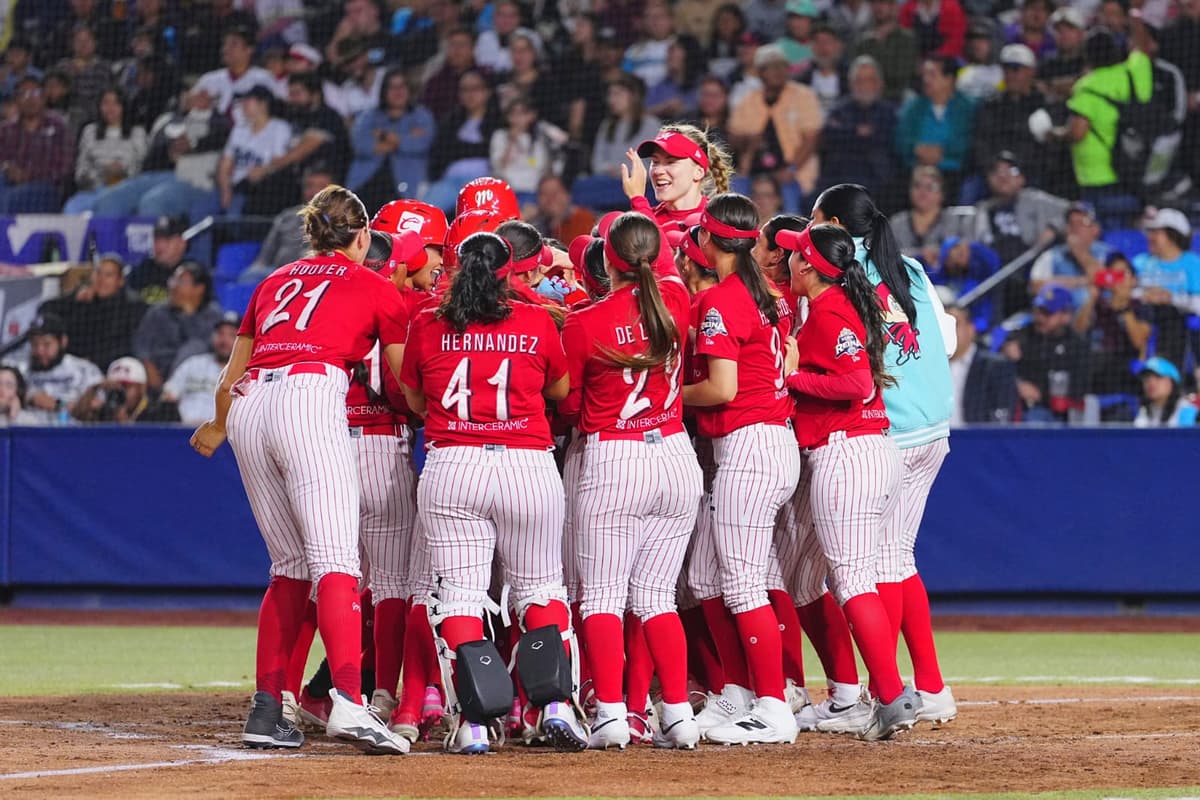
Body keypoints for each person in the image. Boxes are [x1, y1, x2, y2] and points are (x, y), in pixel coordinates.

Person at [189, 184, 411, 755]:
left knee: (288, 566)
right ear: (362, 236)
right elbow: (403, 381)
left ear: (311, 234)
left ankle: (268, 709)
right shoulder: (373, 283)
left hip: (250, 405)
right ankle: (351, 706)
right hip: (311, 397)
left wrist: (217, 427)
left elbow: (229, 376)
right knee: (335, 561)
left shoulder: (272, 281)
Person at [398, 231, 586, 755]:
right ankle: (554, 707)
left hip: (453, 466)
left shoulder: (428, 322)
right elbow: (560, 391)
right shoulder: (535, 319)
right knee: (540, 592)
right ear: (510, 272)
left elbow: (414, 397)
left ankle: (476, 723)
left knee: (458, 596)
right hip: (527, 464)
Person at [808, 183, 958, 731]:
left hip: (888, 432)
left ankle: (885, 693)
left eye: (816, 220)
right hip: (934, 428)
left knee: (864, 570)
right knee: (898, 559)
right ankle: (931, 688)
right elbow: (948, 343)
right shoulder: (911, 267)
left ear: (835, 228)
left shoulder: (842, 274)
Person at [559, 211, 701, 750]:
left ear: (606, 261)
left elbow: (569, 405)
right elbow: (661, 263)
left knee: (601, 598)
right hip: (674, 455)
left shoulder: (583, 322)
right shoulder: (676, 299)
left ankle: (613, 716)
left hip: (614, 458)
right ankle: (680, 718)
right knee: (658, 598)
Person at [772, 221, 914, 740]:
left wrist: (791, 378)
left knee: (853, 580)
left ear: (809, 265)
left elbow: (855, 383)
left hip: (848, 451)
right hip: (868, 449)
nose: (788, 261)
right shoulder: (837, 305)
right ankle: (868, 694)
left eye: (794, 255)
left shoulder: (830, 308)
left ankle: (893, 694)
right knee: (847, 576)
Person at [680, 193, 800, 745]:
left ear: (708, 240)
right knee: (708, 576)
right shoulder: (767, 292)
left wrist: (666, 398)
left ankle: (774, 705)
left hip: (749, 447)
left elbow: (722, 388)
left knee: (745, 582)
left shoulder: (722, 301)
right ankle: (739, 693)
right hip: (768, 442)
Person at [728, 44, 823, 212]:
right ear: (759, 72)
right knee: (733, 203)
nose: (778, 72)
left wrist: (791, 169)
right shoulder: (748, 101)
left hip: (791, 173)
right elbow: (732, 137)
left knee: (791, 213)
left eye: (782, 66)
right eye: (771, 68)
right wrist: (748, 140)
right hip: (753, 172)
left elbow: (812, 138)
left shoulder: (804, 96)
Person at [40, 254, 147, 371]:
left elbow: (128, 346)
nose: (101, 280)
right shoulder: (84, 300)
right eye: (98, 273)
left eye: (108, 275)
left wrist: (92, 361)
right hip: (76, 368)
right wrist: (73, 297)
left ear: (120, 281)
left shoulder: (132, 305)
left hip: (114, 368)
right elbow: (45, 310)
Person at [346, 68, 436, 205]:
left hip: (407, 182)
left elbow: (421, 143)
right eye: (392, 87)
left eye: (402, 86)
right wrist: (401, 140)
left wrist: (383, 135)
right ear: (383, 91)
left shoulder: (422, 115)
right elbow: (360, 144)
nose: (398, 92)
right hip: (367, 181)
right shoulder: (369, 116)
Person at [1003, 284, 1091, 423]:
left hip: (1066, 414)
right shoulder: (1022, 336)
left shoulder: (1077, 345)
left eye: (1047, 313)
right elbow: (996, 370)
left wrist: (1044, 395)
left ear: (1066, 316)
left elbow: (1081, 388)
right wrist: (1017, 383)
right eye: (1038, 311)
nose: (1040, 317)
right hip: (1026, 410)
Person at [133, 262, 223, 393]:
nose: (173, 285)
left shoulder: (213, 315)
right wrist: (149, 369)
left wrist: (188, 315)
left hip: (195, 381)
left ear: (199, 289)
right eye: (173, 279)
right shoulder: (158, 312)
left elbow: (207, 348)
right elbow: (141, 344)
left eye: (181, 281)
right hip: (155, 375)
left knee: (194, 346)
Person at [818, 56, 898, 202]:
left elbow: (886, 140)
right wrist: (857, 132)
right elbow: (831, 136)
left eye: (870, 80)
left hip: (880, 181)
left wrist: (850, 134)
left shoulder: (890, 112)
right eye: (859, 81)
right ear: (851, 84)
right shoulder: (839, 109)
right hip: (841, 177)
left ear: (880, 84)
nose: (864, 86)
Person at [895, 55, 976, 200]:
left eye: (932, 75)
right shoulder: (913, 107)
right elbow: (900, 139)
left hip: (955, 173)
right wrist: (916, 148)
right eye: (924, 74)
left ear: (949, 79)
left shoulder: (968, 108)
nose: (926, 79)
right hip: (916, 171)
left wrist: (942, 151)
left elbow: (972, 140)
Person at [240, 166, 335, 286]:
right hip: (280, 275)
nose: (314, 192)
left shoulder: (345, 222)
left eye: (321, 187)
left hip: (320, 278)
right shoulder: (286, 217)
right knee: (249, 277)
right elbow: (264, 257)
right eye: (309, 186)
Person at [1074, 252, 1150, 399]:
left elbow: (1139, 341)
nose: (1118, 280)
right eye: (1113, 274)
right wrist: (1092, 298)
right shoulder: (1098, 306)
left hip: (1126, 376)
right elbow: (1078, 329)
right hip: (1094, 374)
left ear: (1133, 280)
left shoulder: (1141, 306)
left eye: (1122, 274)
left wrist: (1124, 307)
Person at [974, 152, 1070, 268]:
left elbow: (1075, 209)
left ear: (1022, 178)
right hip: (994, 268)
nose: (1003, 177)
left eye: (1011, 171)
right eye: (996, 172)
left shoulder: (1036, 200)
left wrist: (1053, 228)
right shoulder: (982, 209)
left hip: (1030, 263)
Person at [423, 70, 501, 212]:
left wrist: (461, 149)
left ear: (487, 92)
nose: (470, 94)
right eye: (465, 90)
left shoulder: (499, 121)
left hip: (484, 182)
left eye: (475, 88)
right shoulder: (450, 122)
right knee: (426, 211)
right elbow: (440, 154)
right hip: (450, 181)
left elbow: (493, 151)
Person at [1132, 207, 1200, 370]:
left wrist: (1170, 298)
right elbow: (1123, 290)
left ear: (1173, 235)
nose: (1150, 237)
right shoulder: (1141, 262)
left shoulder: (1192, 264)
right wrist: (1144, 295)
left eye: (1156, 232)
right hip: (1142, 322)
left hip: (1179, 329)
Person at [971, 44, 1047, 188]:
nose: (1009, 75)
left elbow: (1046, 150)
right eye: (1005, 69)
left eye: (1015, 69)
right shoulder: (990, 105)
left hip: (1030, 174)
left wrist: (1019, 173)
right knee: (970, 189)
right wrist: (993, 168)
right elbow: (981, 142)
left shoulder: (1044, 104)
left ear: (1031, 71)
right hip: (994, 172)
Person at [63, 87, 149, 213]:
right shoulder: (89, 131)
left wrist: (122, 171)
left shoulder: (138, 133)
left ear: (124, 106)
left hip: (126, 193)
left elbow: (142, 170)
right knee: (71, 208)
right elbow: (80, 172)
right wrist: (103, 173)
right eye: (106, 103)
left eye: (116, 103)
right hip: (94, 191)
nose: (110, 108)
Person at [7, 313, 102, 426]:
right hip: (30, 436)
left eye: (46, 344)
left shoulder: (85, 370)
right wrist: (27, 396)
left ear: (63, 341)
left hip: (74, 435)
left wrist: (59, 405)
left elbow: (98, 406)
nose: (40, 351)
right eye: (35, 344)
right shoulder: (20, 371)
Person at [216, 85, 293, 217]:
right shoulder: (239, 129)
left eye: (248, 101)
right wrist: (226, 190)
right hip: (232, 186)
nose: (243, 105)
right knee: (201, 209)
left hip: (260, 189)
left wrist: (263, 171)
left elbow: (279, 162)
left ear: (263, 104)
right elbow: (225, 164)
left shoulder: (279, 128)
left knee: (234, 213)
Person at [0, 76, 73, 213]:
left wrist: (28, 176)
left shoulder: (59, 128)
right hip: (8, 184)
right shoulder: (5, 130)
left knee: (11, 198)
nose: (30, 99)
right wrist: (7, 168)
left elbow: (65, 169)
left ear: (44, 97)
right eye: (24, 94)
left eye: (36, 93)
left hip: (46, 189)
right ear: (16, 100)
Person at [1028, 202, 1114, 307]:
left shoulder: (1109, 253)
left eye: (1081, 223)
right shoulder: (1053, 255)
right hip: (1063, 316)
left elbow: (1116, 281)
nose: (1075, 228)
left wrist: (1081, 254)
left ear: (1096, 229)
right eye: (1071, 223)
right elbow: (1035, 287)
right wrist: (1082, 281)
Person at [162, 312, 240, 426]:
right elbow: (168, 394)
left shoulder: (246, 373)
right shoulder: (193, 364)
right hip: (181, 431)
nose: (224, 340)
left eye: (232, 335)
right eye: (220, 334)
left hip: (220, 436)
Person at [946, 305, 1018, 425]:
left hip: (976, 440)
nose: (947, 331)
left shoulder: (996, 368)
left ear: (971, 329)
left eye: (954, 324)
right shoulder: (926, 368)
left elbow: (1002, 415)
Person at [889, 166, 972, 267]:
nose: (922, 192)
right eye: (917, 186)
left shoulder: (951, 220)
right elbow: (887, 255)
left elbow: (956, 254)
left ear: (941, 194)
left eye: (930, 187)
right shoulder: (897, 222)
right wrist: (922, 254)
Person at [72, 356, 180, 423]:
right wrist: (95, 387)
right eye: (115, 386)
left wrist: (126, 426)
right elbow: (77, 416)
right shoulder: (107, 411)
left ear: (142, 388)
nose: (120, 391)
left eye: (126, 386)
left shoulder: (162, 411)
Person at [854, 0, 920, 104]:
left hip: (898, 98)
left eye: (883, 3)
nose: (878, 7)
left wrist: (874, 78)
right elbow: (857, 73)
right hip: (867, 98)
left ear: (894, 7)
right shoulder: (862, 41)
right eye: (874, 3)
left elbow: (902, 75)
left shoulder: (907, 39)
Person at [127, 216, 191, 305]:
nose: (159, 245)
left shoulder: (191, 273)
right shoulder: (141, 271)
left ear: (182, 244)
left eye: (167, 240)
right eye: (156, 239)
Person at [528, 174, 597, 244]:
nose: (550, 198)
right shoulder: (535, 224)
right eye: (544, 194)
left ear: (567, 195)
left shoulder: (583, 218)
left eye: (555, 193)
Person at [1134, 357, 1198, 427]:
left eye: (1158, 376)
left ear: (1172, 382)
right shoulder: (1144, 411)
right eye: (1146, 377)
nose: (1150, 382)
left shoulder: (1188, 411)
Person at [898, 0, 967, 59]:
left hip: (946, 58)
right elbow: (903, 37)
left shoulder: (952, 7)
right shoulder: (908, 8)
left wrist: (935, 58)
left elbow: (956, 41)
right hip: (915, 58)